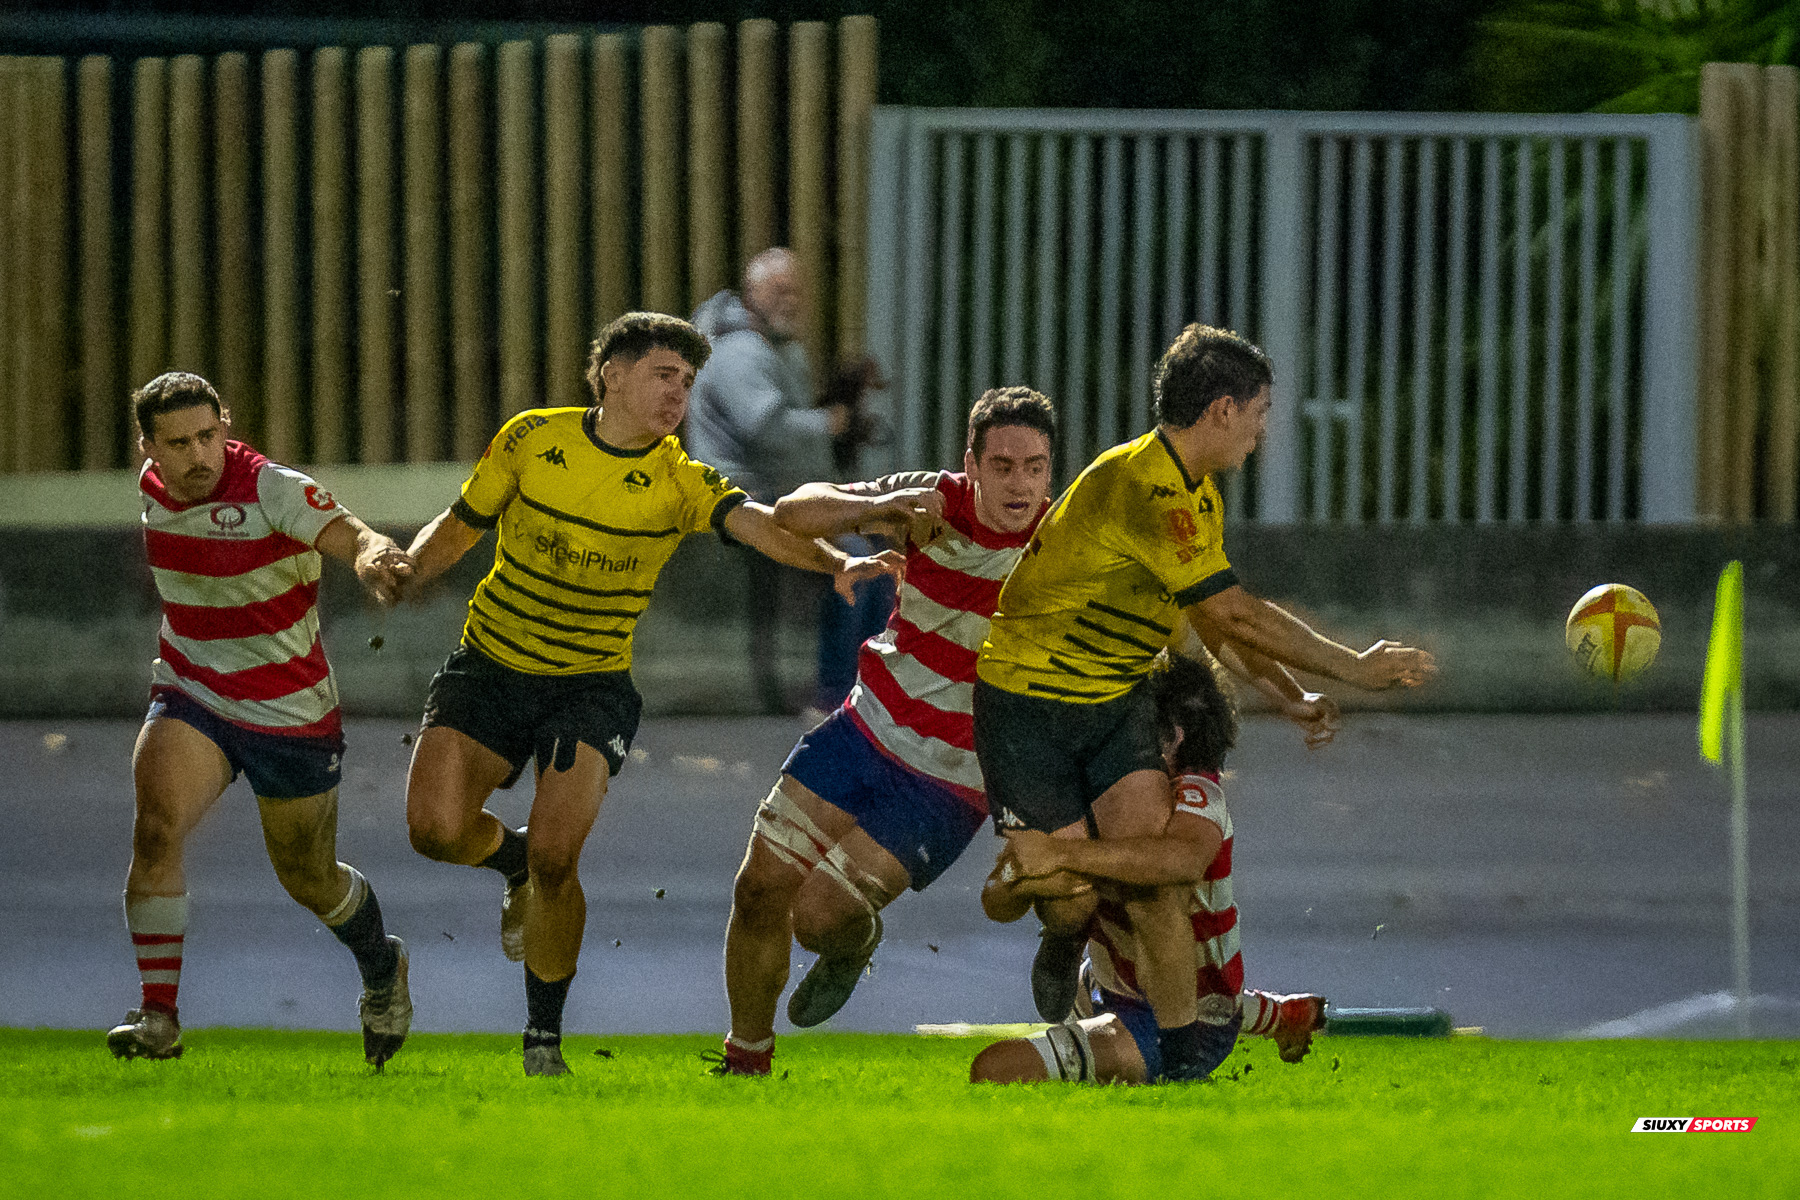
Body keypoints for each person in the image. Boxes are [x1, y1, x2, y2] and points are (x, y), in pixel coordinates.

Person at [398, 312, 900, 1077]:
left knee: (560, 862)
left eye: (688, 382)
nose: (680, 394)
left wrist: (833, 561)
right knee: (434, 830)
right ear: (613, 375)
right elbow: (465, 523)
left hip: (590, 685)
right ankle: (511, 862)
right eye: (666, 376)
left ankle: (542, 1043)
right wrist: (405, 567)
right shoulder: (534, 437)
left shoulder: (677, 477)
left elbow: (759, 523)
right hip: (491, 663)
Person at [973, 323, 1435, 1082]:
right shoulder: (1141, 485)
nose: (1261, 432)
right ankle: (1064, 938)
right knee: (1065, 898)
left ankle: (1183, 1068)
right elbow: (1235, 615)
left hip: (1116, 700)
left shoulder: (1196, 497)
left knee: (1156, 880)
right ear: (1222, 410)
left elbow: (1214, 620)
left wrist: (1288, 695)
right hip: (1027, 705)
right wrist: (1357, 665)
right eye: (1259, 413)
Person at [710, 387, 1058, 1077]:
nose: (1019, 483)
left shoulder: (1065, 539)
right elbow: (793, 512)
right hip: (865, 726)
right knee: (758, 888)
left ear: (1052, 470)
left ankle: (850, 944)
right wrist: (876, 509)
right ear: (972, 464)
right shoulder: (929, 501)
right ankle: (745, 1063)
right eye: (1003, 465)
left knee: (817, 916)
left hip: (954, 777)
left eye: (1035, 466)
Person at [108, 372, 414, 1066]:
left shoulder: (272, 487)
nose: (198, 456)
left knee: (309, 879)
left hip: (289, 711)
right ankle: (159, 1016)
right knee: (155, 830)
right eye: (178, 443)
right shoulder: (155, 490)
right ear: (147, 450)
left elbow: (350, 532)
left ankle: (381, 967)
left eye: (208, 436)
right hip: (192, 691)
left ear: (227, 425)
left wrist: (371, 558)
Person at [972, 650, 1324, 1084]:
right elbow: (996, 898)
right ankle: (1280, 1013)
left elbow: (1181, 860)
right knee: (1098, 916)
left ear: (1172, 737)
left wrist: (1061, 856)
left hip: (1181, 1016)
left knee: (994, 1069)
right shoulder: (1093, 787)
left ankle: (1184, 1066)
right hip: (1111, 983)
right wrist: (1018, 875)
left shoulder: (1195, 793)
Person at [686, 248, 876, 713]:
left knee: (875, 553)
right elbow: (766, 429)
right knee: (855, 564)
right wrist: (829, 422)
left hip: (774, 491)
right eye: (778, 291)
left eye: (795, 291)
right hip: (742, 496)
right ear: (753, 295)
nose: (789, 301)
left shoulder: (775, 348)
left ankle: (856, 686)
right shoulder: (739, 351)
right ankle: (836, 692)